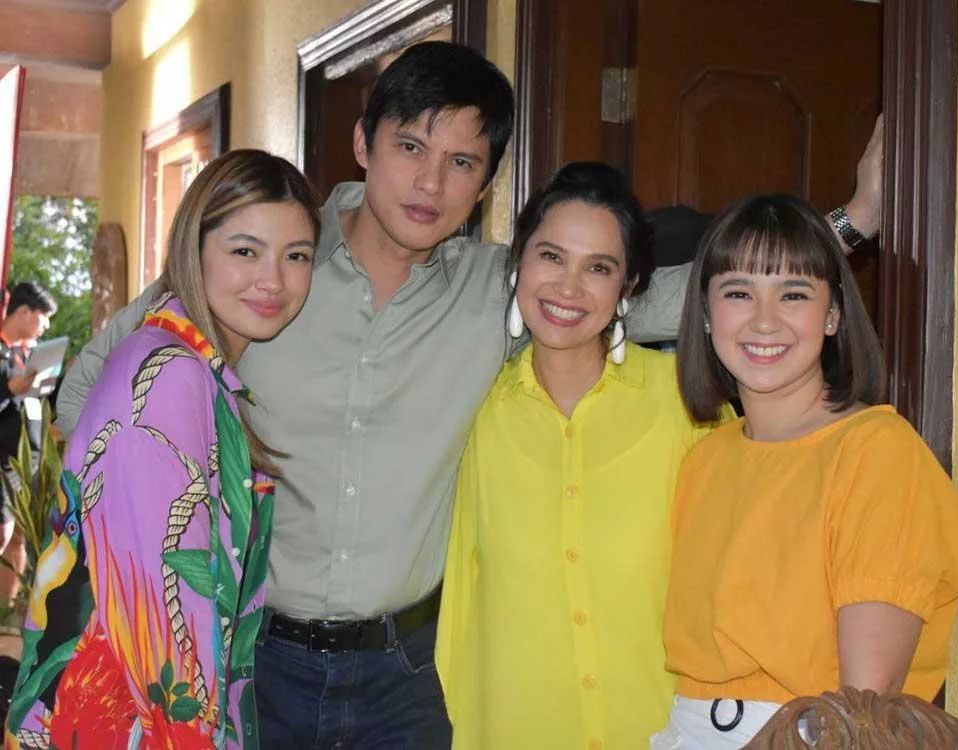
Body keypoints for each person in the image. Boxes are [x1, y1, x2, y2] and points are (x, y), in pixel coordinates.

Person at [54, 43, 883, 747]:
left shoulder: (499, 292)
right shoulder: (273, 262)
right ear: (363, 142)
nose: (430, 183)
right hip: (254, 659)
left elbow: (668, 294)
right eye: (410, 146)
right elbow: (98, 385)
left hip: (405, 675)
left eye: (461, 163)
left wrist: (854, 220)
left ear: (486, 184)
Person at [4, 149, 319, 749]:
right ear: (192, 251)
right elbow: (160, 625)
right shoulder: (168, 377)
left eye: (297, 256)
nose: (274, 280)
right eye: (245, 251)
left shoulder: (193, 367)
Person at [651, 194, 958, 748]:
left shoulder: (876, 450)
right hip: (686, 729)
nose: (764, 320)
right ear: (706, 315)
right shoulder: (706, 458)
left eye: (794, 294)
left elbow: (865, 702)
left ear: (832, 315)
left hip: (808, 733)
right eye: (738, 292)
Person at [435, 162, 727, 749]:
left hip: (665, 732)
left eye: (599, 267)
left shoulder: (686, 403)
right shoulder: (473, 409)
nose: (569, 288)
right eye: (551, 257)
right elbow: (462, 608)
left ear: (629, 285)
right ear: (517, 261)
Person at [0, 282, 58, 608]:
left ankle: (5, 613)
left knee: (19, 535)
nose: (47, 325)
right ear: (23, 311)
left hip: (29, 459)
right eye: (43, 316)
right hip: (4, 460)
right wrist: (9, 389)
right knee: (2, 533)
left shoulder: (29, 354)